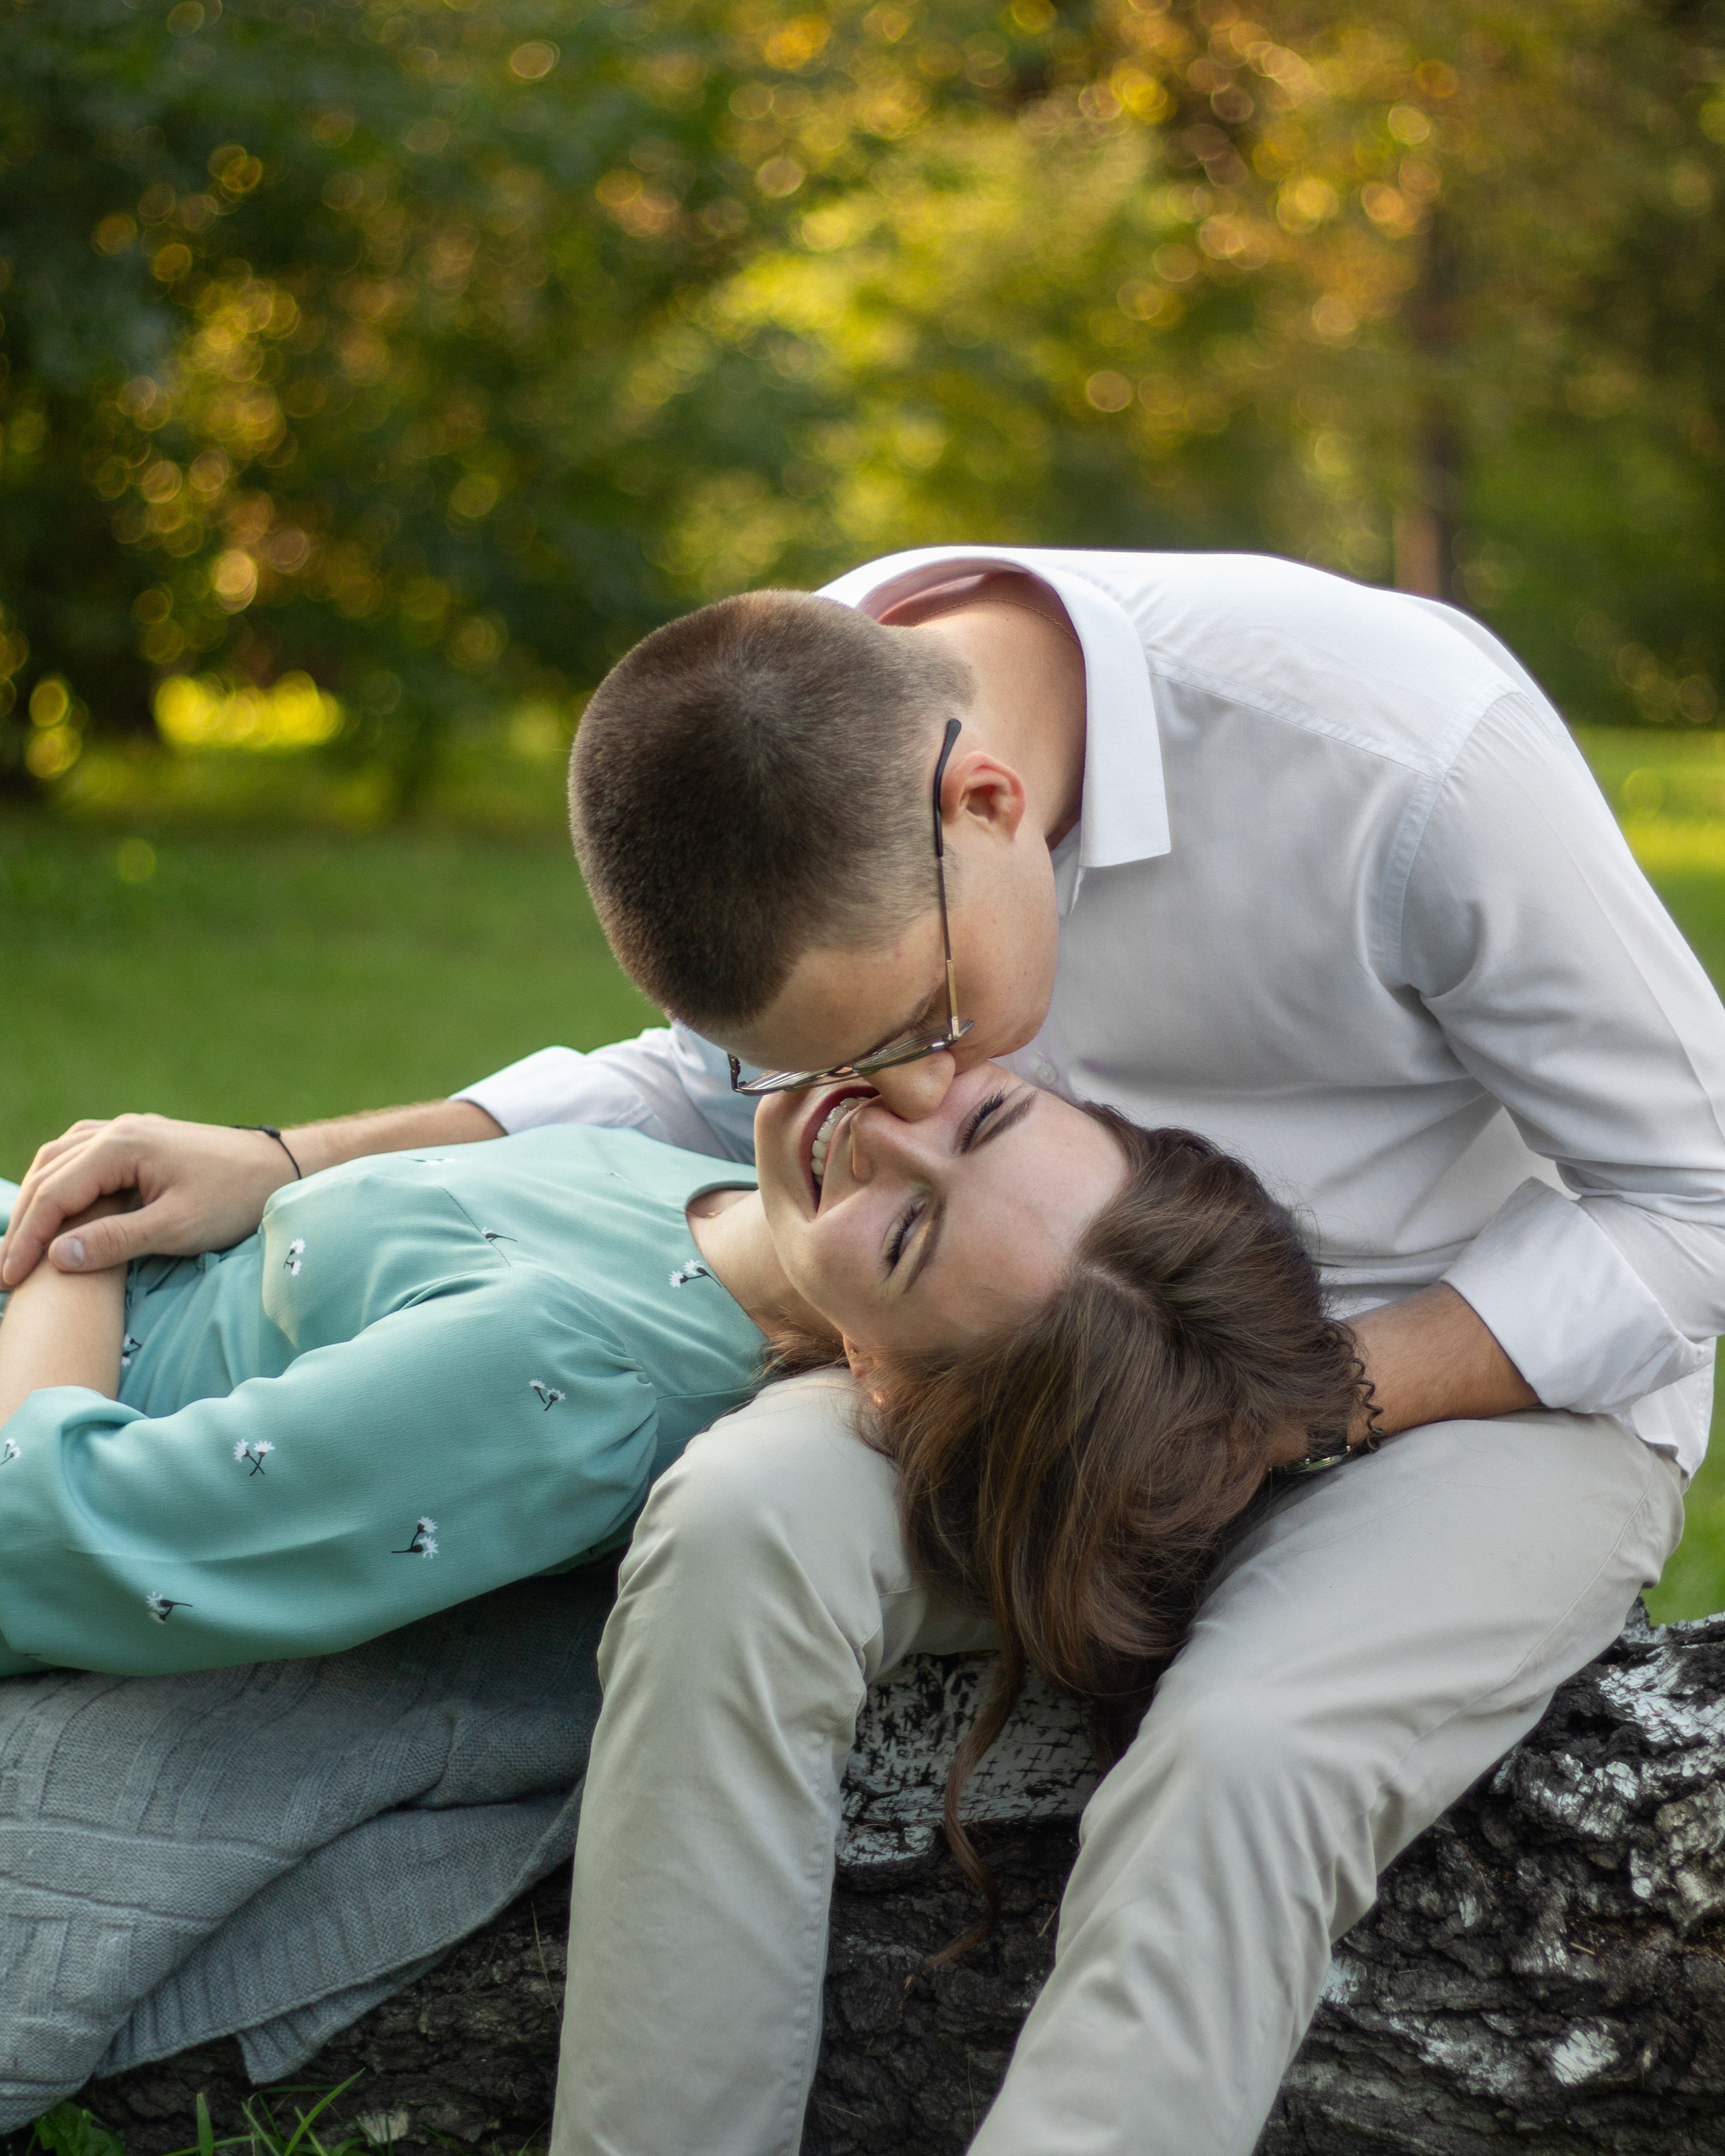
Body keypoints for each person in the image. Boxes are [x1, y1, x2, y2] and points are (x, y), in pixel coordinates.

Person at [4, 544, 1720, 2154]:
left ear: (991, 804)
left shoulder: (1402, 755)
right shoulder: (796, 726)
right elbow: (719, 1081)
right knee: (736, 1528)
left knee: (1248, 1751)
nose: (894, 1096)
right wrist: (296, 1155)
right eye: (857, 1062)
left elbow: (1694, 1197)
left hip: (1483, 1381)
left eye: (927, 1029)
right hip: (983, 1330)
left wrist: (1271, 1417)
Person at [0, 1063, 1154, 1676]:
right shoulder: (721, 1177)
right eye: (985, 1118)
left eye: (906, 1233)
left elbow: (37, 1528)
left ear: (891, 1378)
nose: (883, 1132)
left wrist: (80, 1245)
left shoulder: (561, 1382)